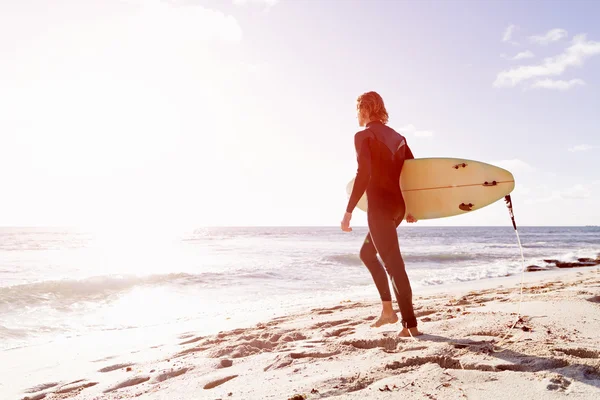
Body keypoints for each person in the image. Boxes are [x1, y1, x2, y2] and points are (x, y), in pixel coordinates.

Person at [341, 91, 421, 338]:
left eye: (357, 110)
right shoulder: (399, 137)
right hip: (396, 207)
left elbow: (363, 173)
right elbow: (412, 171)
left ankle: (411, 326)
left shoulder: (363, 135)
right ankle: (388, 310)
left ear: (364, 110)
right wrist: (411, 207)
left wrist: (348, 211)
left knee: (394, 265)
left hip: (380, 208)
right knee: (367, 253)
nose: (357, 115)